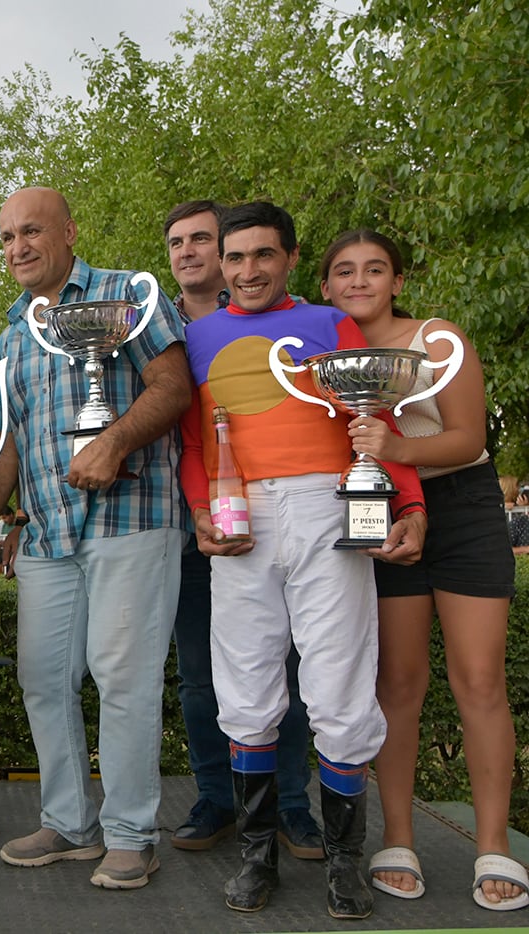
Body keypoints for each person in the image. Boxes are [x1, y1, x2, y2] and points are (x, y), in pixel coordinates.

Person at [177, 203, 428, 919]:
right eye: (235, 257)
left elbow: (378, 417)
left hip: (328, 506)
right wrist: (201, 510)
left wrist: (408, 504)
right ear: (221, 264)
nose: (248, 270)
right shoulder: (196, 337)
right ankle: (258, 857)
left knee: (339, 684)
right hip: (239, 516)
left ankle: (345, 863)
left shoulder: (328, 324)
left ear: (289, 258)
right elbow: (195, 445)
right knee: (247, 688)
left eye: (263, 255)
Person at [0, 187, 192, 891]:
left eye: (31, 232)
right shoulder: (11, 336)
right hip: (49, 536)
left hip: (133, 520)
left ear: (67, 232)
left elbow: (172, 387)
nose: (17, 247)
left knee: (124, 680)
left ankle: (130, 835)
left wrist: (114, 441)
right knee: (43, 680)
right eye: (5, 238)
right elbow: (8, 449)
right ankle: (70, 823)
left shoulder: (127, 293)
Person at [319, 229, 526, 912]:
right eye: (344, 271)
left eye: (375, 269)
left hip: (461, 506)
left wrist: (398, 446)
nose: (359, 281)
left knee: (479, 680)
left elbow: (470, 437)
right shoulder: (328, 358)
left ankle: (494, 844)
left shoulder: (438, 339)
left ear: (398, 281)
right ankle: (398, 839)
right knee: (397, 683)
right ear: (325, 286)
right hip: (379, 508)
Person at [162, 200, 321, 858]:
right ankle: (215, 800)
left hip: (275, 525)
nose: (190, 251)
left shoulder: (298, 320)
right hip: (187, 526)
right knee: (198, 675)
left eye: (203, 238)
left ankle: (290, 805)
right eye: (178, 242)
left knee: (286, 669)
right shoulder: (152, 325)